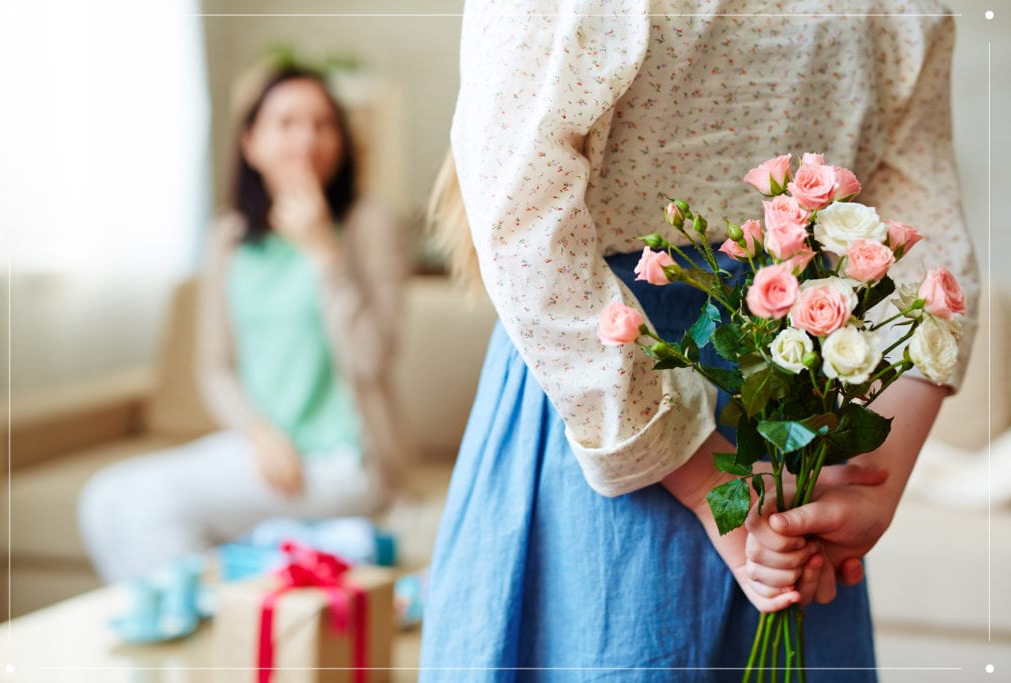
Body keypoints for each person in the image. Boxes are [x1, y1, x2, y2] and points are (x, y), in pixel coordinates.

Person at [420, 1, 978, 680]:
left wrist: (862, 490)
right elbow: (927, 243)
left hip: (777, 412)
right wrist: (856, 480)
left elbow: (525, 218)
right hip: (610, 402)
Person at [78, 61, 410, 583]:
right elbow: (216, 368)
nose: (307, 137)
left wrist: (324, 251)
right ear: (252, 142)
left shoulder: (370, 226)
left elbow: (371, 360)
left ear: (341, 142)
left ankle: (214, 633)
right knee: (102, 497)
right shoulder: (229, 237)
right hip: (264, 450)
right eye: (287, 122)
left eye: (323, 124)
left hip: (344, 461)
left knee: (149, 505)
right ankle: (207, 623)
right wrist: (258, 434)